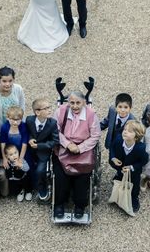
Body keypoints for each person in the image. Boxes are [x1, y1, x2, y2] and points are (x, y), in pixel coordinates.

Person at [53, 90, 101, 220]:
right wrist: (68, 144)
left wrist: (80, 148)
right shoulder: (61, 111)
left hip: (83, 149)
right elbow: (55, 130)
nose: (74, 106)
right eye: (72, 102)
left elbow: (96, 135)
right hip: (64, 147)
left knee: (83, 177)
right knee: (60, 176)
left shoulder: (91, 115)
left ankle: (80, 205)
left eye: (78, 103)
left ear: (84, 102)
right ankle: (59, 204)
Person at [109, 120, 148, 214]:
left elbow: (144, 161)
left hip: (133, 171)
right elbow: (112, 148)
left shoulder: (141, 148)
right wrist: (113, 158)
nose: (125, 132)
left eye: (129, 131)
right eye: (125, 129)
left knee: (134, 185)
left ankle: (134, 198)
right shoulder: (118, 139)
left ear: (136, 136)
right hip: (120, 166)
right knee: (120, 175)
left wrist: (132, 167)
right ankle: (119, 177)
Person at [25, 97, 59, 200]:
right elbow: (28, 133)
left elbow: (55, 141)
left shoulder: (52, 123)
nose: (50, 110)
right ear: (37, 112)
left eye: (50, 107)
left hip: (43, 152)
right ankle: (27, 187)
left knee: (40, 170)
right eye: (46, 108)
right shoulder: (29, 120)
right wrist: (30, 139)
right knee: (26, 167)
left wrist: (40, 146)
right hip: (30, 150)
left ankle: (42, 187)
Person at [0, 66, 26, 132]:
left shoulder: (18, 89)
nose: (7, 84)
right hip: (2, 128)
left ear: (13, 79)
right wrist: (5, 127)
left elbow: (22, 107)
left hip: (17, 126)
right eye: (4, 81)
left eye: (10, 81)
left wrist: (18, 123)